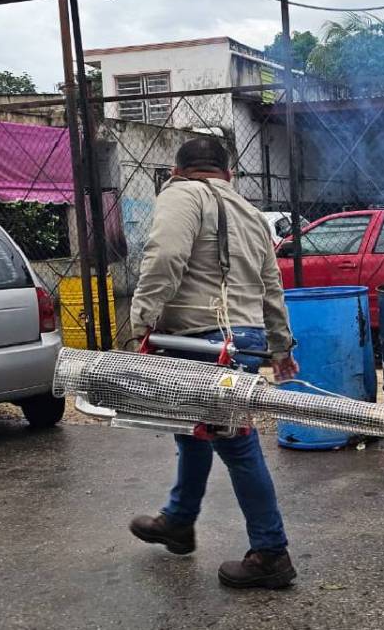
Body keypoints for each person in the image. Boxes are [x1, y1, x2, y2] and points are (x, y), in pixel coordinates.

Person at [127, 136, 300, 590]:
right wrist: (281, 347)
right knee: (193, 430)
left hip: (203, 340)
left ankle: (271, 552)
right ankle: (179, 521)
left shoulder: (180, 194)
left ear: (177, 169)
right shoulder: (248, 210)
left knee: (235, 442)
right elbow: (270, 285)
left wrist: (140, 322)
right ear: (228, 173)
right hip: (242, 338)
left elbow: (164, 257)